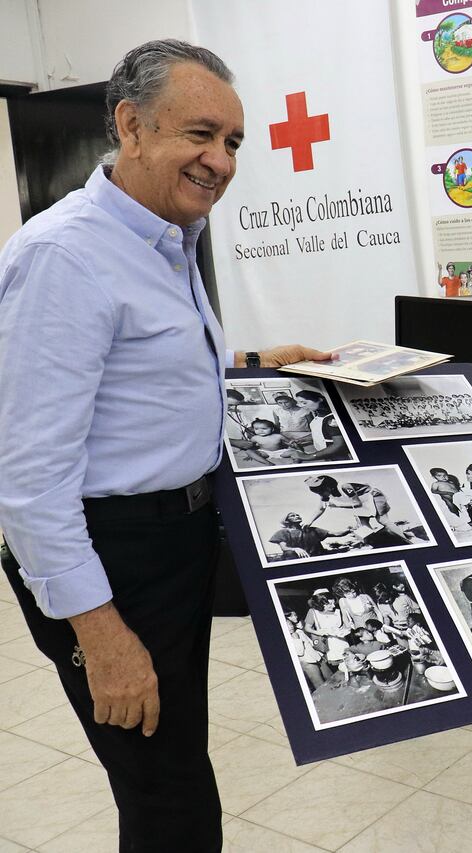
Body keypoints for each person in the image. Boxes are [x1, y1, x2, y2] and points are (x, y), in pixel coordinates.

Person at [0, 39, 332, 851]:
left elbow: (139, 370)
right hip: (114, 556)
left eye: (232, 143)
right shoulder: (64, 257)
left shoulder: (164, 237)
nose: (220, 160)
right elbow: (28, 477)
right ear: (131, 126)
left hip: (177, 542)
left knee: (172, 764)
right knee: (171, 798)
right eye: (200, 134)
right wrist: (102, 635)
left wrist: (256, 362)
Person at [268, 512, 337, 560]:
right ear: (287, 521)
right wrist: (296, 549)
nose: (297, 516)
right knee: (289, 553)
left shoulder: (311, 529)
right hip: (297, 559)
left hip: (318, 557)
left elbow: (336, 534)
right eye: (292, 516)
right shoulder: (283, 532)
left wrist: (348, 530)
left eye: (297, 515)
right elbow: (284, 548)